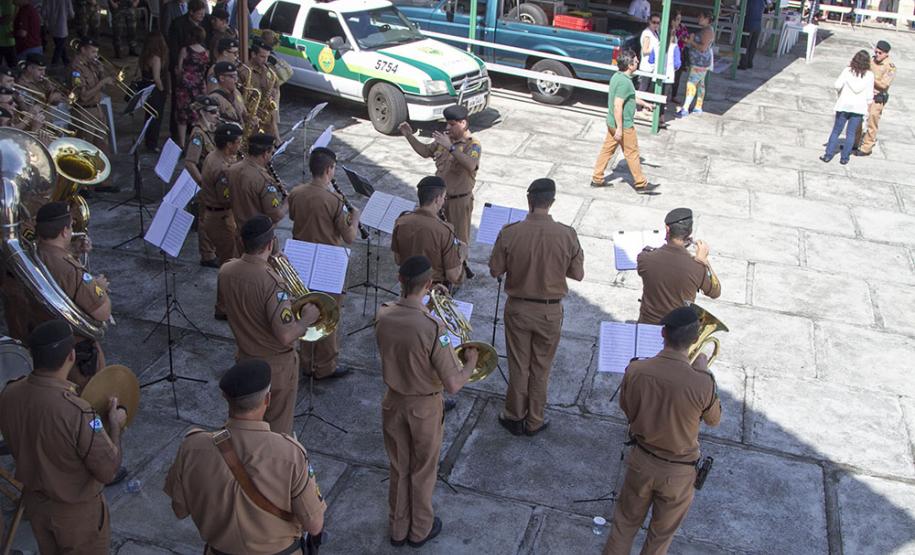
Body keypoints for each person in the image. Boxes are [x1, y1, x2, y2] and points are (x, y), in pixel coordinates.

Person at [164, 359, 327, 554]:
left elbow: (179, 509)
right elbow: (314, 525)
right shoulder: (290, 454)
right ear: (267, 399)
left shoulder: (192, 447)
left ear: (225, 397)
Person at [375, 255, 478, 547]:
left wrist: (427, 305)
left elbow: (409, 330)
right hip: (424, 408)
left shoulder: (383, 314)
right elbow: (454, 384)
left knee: (399, 467)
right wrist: (471, 362)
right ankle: (420, 529)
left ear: (399, 280)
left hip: (393, 401)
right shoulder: (434, 328)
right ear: (429, 284)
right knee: (422, 471)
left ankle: (398, 529)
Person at [0, 320, 127, 554]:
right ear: (71, 356)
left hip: (36, 506)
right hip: (76, 516)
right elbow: (108, 470)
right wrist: (116, 426)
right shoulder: (77, 411)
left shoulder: (9, 393)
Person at [602, 306, 721, 555]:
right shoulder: (703, 382)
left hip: (642, 461)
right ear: (695, 340)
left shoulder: (636, 369)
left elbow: (627, 408)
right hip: (679, 472)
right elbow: (714, 420)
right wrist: (703, 371)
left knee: (624, 526)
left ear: (662, 333)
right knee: (659, 539)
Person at [488, 178, 584, 436]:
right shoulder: (567, 234)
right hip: (550, 312)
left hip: (518, 309)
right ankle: (535, 420)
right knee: (541, 368)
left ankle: (514, 415)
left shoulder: (510, 232)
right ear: (552, 202)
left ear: (528, 200)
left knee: (519, 365)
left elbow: (495, 270)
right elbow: (577, 274)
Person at [217, 215, 321, 434]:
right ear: (270, 244)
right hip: (276, 368)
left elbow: (226, 307)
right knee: (278, 431)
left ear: (242, 242)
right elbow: (286, 335)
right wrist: (306, 319)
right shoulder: (274, 283)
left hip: (244, 359)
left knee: (247, 427)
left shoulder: (226, 270)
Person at [287, 147, 360, 381]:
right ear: (329, 170)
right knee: (327, 315)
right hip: (326, 263)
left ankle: (306, 362)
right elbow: (349, 237)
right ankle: (325, 366)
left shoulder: (296, 192)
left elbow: (293, 217)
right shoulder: (334, 200)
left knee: (304, 310)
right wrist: (355, 218)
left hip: (300, 259)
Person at [29, 201, 111, 389]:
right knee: (89, 396)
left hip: (44, 345)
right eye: (71, 226)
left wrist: (72, 252)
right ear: (65, 232)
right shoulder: (71, 270)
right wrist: (99, 287)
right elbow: (102, 312)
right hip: (74, 356)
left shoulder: (34, 254)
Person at [398, 105, 481, 257]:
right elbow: (425, 151)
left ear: (463, 123)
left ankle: (459, 268)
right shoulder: (445, 139)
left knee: (458, 243)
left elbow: (471, 165)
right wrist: (408, 135)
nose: (447, 128)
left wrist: (450, 147)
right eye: (447, 123)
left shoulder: (473, 145)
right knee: (437, 238)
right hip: (439, 200)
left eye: (452, 124)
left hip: (458, 202)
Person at [590, 49, 659, 194]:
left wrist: (645, 103)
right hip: (623, 125)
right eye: (635, 60)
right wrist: (620, 129)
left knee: (607, 150)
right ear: (630, 65)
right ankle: (641, 184)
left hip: (611, 122)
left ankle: (597, 178)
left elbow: (630, 97)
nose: (638, 62)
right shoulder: (625, 83)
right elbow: (618, 106)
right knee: (632, 153)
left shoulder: (617, 77)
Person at [636, 208, 721, 324]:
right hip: (678, 331)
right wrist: (705, 261)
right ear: (689, 232)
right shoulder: (698, 268)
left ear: (667, 229)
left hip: (647, 325)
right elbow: (715, 292)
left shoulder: (644, 258)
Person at [391, 176, 465, 288]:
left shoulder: (401, 222)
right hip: (434, 290)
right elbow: (453, 276)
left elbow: (398, 259)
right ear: (437, 199)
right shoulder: (444, 230)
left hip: (407, 288)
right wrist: (462, 255)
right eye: (444, 198)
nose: (443, 202)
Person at [69, 38, 117, 191]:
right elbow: (83, 96)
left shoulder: (91, 64)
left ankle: (103, 181)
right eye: (93, 51)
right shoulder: (76, 69)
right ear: (83, 50)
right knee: (85, 148)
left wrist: (101, 72)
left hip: (97, 109)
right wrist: (102, 82)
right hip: (84, 111)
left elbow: (103, 86)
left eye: (97, 52)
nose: (96, 55)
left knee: (102, 146)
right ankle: (83, 186)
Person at [200, 122, 243, 276]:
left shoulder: (213, 155)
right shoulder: (222, 168)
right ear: (229, 144)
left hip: (215, 215)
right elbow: (225, 198)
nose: (240, 145)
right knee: (230, 260)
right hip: (221, 219)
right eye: (238, 142)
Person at [185, 96, 222, 267]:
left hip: (216, 183)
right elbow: (190, 162)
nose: (217, 115)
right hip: (207, 184)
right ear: (201, 113)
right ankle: (207, 255)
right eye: (213, 112)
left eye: (217, 111)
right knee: (206, 219)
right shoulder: (198, 135)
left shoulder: (210, 131)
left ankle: (215, 249)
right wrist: (202, 183)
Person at [820, 49, 873, 165]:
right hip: (858, 108)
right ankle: (844, 158)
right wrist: (868, 111)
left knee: (836, 131)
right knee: (851, 133)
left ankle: (828, 155)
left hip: (844, 105)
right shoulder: (869, 75)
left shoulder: (847, 71)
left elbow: (837, 85)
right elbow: (869, 96)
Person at [227, 132, 286, 227]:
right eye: (271, 153)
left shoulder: (232, 169)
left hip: (238, 228)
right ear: (265, 154)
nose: (271, 156)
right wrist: (287, 202)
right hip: (258, 232)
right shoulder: (264, 180)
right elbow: (276, 216)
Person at [854, 40, 896, 157]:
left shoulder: (890, 67)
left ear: (886, 54)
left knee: (872, 121)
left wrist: (870, 77)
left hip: (877, 97)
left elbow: (884, 84)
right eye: (876, 52)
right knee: (857, 118)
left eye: (880, 53)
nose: (877, 55)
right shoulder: (871, 61)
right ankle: (854, 142)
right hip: (865, 94)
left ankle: (867, 147)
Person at [174, 25, 209, 148]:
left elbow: (179, 69)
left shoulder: (185, 50)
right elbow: (204, 70)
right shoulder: (205, 53)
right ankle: (195, 143)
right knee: (197, 115)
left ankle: (182, 144)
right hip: (199, 86)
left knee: (182, 116)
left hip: (185, 87)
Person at [238, 38, 279, 137]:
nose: (265, 60)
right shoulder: (243, 72)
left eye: (267, 57)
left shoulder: (268, 71)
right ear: (253, 54)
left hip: (265, 119)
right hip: (250, 119)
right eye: (262, 57)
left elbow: (274, 88)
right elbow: (239, 98)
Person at [677, 11, 714, 118]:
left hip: (700, 63)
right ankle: (698, 106)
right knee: (700, 84)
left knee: (691, 83)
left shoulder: (707, 31)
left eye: (701, 17)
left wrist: (691, 42)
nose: (699, 18)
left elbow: (703, 48)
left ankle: (685, 108)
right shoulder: (705, 30)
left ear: (707, 19)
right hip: (700, 62)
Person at [138, 31, 170, 151]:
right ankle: (152, 144)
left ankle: (149, 142)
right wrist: (162, 90)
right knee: (156, 117)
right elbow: (156, 78)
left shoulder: (144, 57)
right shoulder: (156, 58)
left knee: (149, 116)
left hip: (146, 87)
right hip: (155, 90)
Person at [209, 60, 246, 125]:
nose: (236, 80)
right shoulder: (213, 98)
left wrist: (251, 119)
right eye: (232, 77)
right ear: (222, 78)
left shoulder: (237, 92)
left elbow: (244, 113)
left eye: (236, 76)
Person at [637, 14, 660, 101]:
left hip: (652, 66)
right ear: (649, 22)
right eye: (654, 22)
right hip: (646, 66)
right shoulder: (647, 33)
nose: (656, 24)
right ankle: (638, 106)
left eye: (658, 23)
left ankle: (644, 106)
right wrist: (656, 50)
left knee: (648, 89)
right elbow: (645, 50)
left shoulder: (656, 33)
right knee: (643, 88)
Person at [42, 0, 73, 65]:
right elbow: (71, 14)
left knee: (60, 44)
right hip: (62, 26)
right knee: (59, 46)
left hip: (52, 25)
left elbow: (43, 13)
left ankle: (66, 60)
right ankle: (54, 63)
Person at [739, 0, 766, 70]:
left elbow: (743, 9)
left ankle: (743, 64)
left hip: (749, 23)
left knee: (745, 44)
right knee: (753, 45)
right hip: (758, 25)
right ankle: (749, 63)